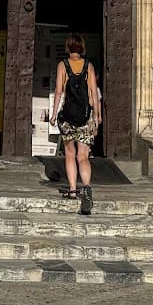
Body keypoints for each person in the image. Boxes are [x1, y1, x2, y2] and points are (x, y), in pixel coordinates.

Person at [50, 33, 102, 215]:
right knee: (83, 156)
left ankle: (72, 190)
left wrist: (54, 114)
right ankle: (86, 187)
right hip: (85, 117)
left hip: (68, 117)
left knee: (70, 154)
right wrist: (97, 116)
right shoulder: (89, 66)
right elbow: (94, 94)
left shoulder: (62, 65)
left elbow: (58, 91)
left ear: (68, 47)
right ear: (82, 48)